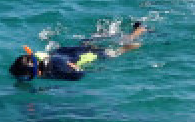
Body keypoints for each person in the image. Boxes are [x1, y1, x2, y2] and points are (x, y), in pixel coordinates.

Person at [10, 22, 148, 81]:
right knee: (89, 42)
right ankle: (113, 33)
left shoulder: (54, 71)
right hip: (73, 49)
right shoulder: (40, 57)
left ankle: (138, 34)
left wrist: (76, 69)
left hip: (87, 55)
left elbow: (79, 75)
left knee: (118, 51)